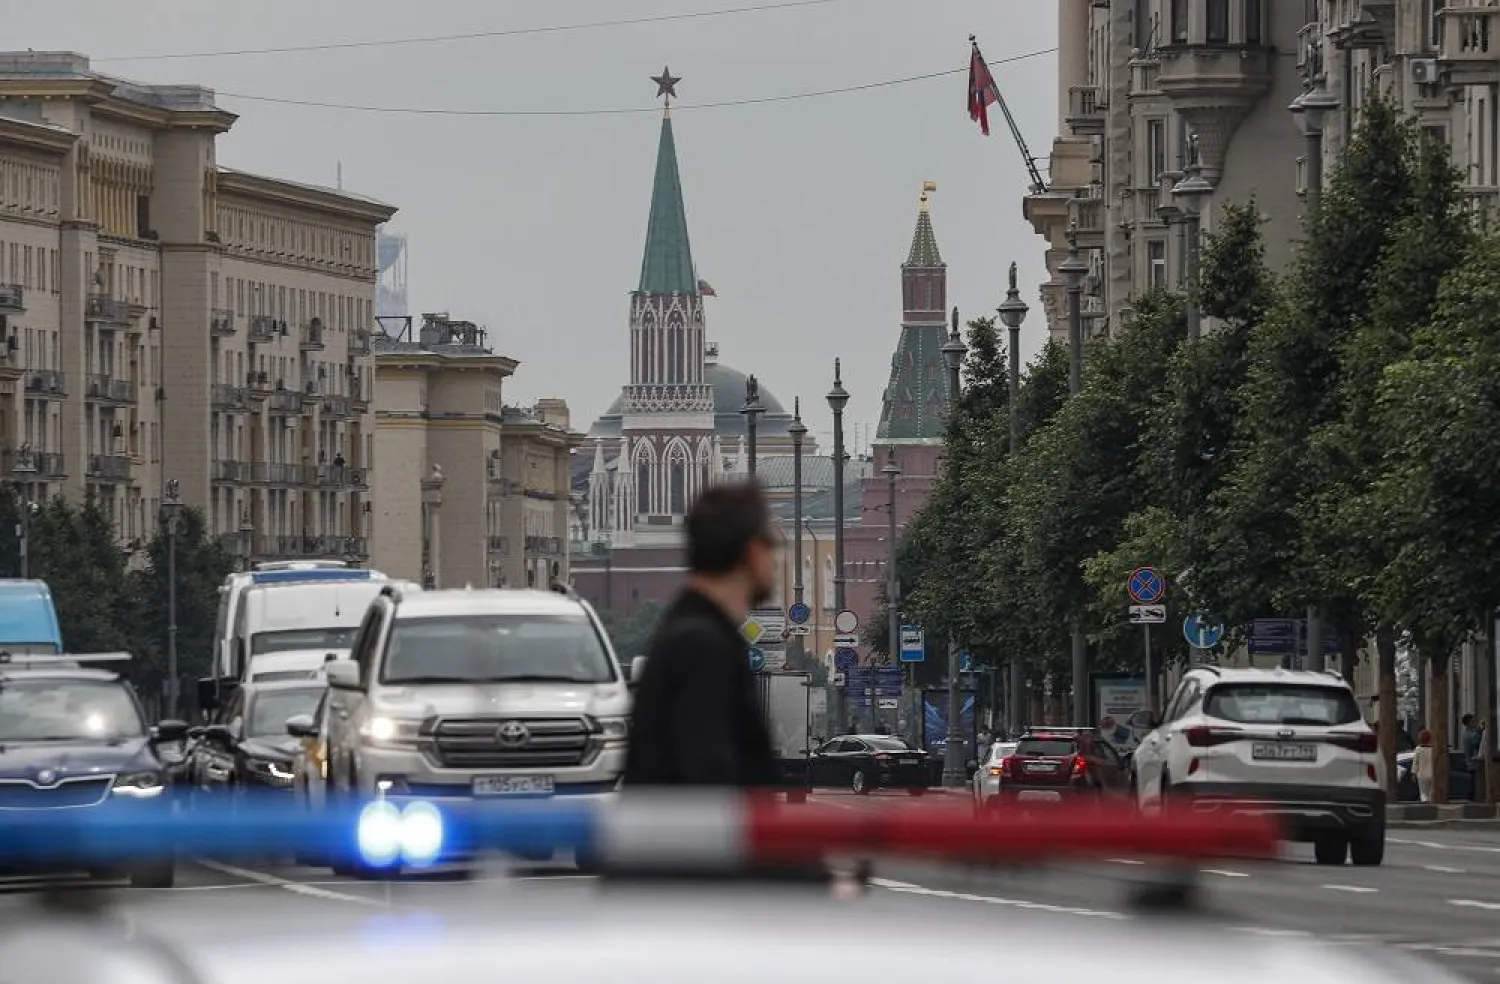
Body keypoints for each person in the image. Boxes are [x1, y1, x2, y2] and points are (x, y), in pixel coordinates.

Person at [622, 480, 778, 788]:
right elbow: (710, 775)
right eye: (772, 545)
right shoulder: (702, 645)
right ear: (753, 552)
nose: (775, 560)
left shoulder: (692, 630)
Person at [1413, 729, 1434, 804]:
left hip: (1421, 774)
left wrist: (1414, 773)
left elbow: (1415, 763)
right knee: (1431, 791)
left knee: (1423, 792)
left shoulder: (1418, 749)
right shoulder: (1433, 750)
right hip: (1432, 773)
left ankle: (1425, 805)